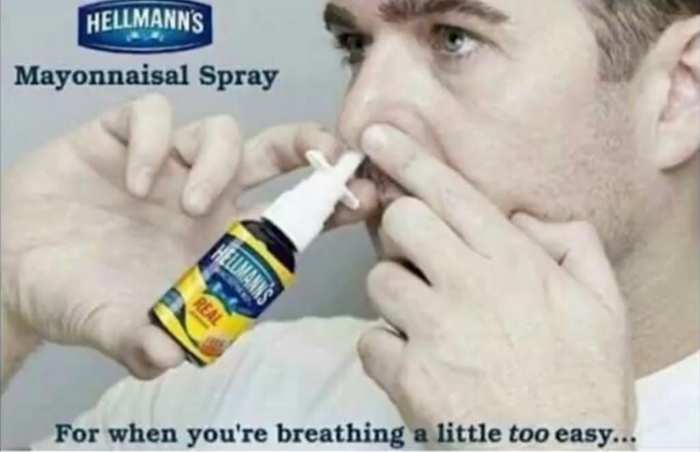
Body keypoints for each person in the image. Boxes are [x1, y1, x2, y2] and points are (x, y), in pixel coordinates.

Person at [2, 0, 698, 449]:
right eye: (355, 46)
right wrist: (6, 305)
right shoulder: (234, 391)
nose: (358, 116)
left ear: (679, 95)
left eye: (454, 38)